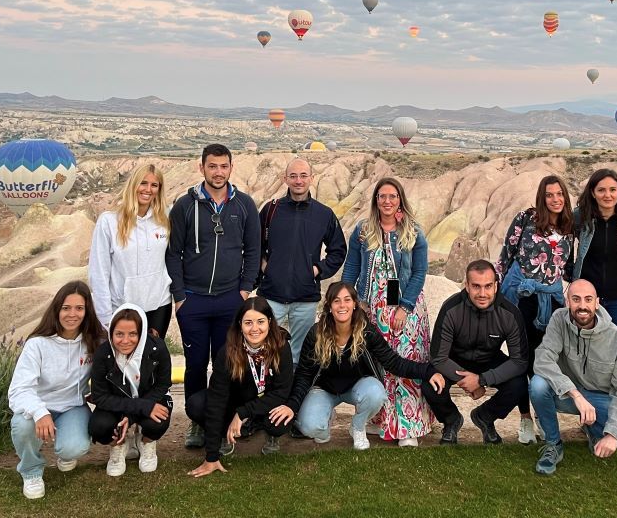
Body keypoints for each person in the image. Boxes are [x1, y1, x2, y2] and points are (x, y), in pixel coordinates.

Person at [270, 282, 445, 451]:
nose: (342, 305)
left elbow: (393, 362)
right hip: (324, 390)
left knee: (376, 394)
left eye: (347, 300)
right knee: (310, 427)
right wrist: (292, 405)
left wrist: (428, 371)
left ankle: (358, 427)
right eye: (336, 301)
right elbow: (304, 375)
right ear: (329, 306)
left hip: (357, 387)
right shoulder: (316, 333)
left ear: (355, 304)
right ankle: (325, 418)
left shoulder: (366, 331)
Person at [166, 143, 261, 448]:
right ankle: (196, 424)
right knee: (195, 364)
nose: (218, 172)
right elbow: (173, 253)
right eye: (212, 166)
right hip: (192, 300)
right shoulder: (184, 206)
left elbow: (254, 250)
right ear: (202, 168)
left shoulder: (244, 204)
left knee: (226, 364)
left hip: (230, 301)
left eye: (223, 166)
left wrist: (245, 289)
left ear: (231, 168)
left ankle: (222, 423)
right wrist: (179, 296)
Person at [343, 177, 434, 446]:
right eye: (382, 196)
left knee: (405, 358)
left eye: (392, 196)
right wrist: (351, 298)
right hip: (372, 306)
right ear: (375, 201)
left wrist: (405, 307)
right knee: (379, 363)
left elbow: (419, 272)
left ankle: (407, 425)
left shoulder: (413, 232)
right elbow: (351, 266)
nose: (387, 201)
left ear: (400, 200)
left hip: (406, 305)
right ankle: (381, 418)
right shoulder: (362, 230)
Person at [530, 279, 617, 475]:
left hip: (600, 400)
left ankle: (594, 429)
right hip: (570, 395)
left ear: (597, 303)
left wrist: (613, 434)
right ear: (567, 302)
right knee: (538, 385)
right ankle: (553, 445)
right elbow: (542, 359)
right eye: (576, 299)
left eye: (588, 299)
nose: (582, 306)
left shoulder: (616, 338)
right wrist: (576, 395)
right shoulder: (559, 320)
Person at [495, 175, 575, 444]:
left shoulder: (569, 226)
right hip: (522, 297)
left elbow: (569, 266)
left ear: (565, 196)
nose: (555, 199)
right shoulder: (525, 219)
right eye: (549, 194)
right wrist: (496, 293)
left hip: (551, 302)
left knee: (545, 360)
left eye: (559, 194)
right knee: (522, 359)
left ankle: (542, 414)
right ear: (542, 197)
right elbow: (506, 254)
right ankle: (525, 418)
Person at [8, 281, 105, 499]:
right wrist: (40, 412)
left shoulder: (95, 342)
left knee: (74, 448)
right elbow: (19, 389)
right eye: (66, 308)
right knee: (22, 427)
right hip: (39, 409)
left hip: (72, 407)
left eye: (79, 308)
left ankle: (65, 453)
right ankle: (31, 470)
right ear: (57, 309)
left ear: (87, 311)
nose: (73, 314)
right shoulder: (37, 344)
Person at [423, 259, 529, 445]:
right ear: (467, 285)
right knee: (431, 382)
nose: (482, 293)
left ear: (496, 286)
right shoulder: (451, 308)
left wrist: (482, 380)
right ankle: (451, 420)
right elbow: (438, 357)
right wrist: (468, 381)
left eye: (488, 286)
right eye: (476, 286)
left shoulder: (510, 313)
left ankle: (485, 417)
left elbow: (519, 361)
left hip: (489, 359)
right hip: (454, 360)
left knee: (519, 384)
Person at [187, 296, 294, 477]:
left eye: (260, 321)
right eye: (248, 323)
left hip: (265, 405)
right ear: (240, 324)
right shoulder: (228, 352)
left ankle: (265, 432)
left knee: (279, 421)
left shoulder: (281, 346)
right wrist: (211, 457)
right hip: (234, 404)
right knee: (196, 404)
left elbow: (282, 392)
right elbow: (216, 399)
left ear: (269, 322)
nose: (254, 329)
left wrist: (243, 413)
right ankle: (224, 434)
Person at [257, 157, 347, 365]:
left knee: (300, 354)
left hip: (305, 299)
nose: (299, 180)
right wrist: (266, 267)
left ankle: (295, 397)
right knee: (265, 349)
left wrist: (316, 270)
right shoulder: (271, 210)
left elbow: (338, 251)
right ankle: (268, 395)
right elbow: (255, 245)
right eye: (293, 176)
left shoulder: (324, 214)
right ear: (285, 179)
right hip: (271, 295)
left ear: (312, 179)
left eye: (304, 175)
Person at [88, 303, 172, 476]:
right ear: (111, 333)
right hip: (117, 402)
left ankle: (146, 441)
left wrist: (133, 415)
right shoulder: (103, 354)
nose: (125, 341)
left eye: (133, 334)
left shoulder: (158, 348)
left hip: (151, 398)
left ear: (141, 333)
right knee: (99, 427)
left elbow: (162, 385)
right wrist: (139, 409)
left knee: (158, 421)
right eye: (119, 334)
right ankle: (119, 445)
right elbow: (100, 396)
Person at [88, 164, 172, 337]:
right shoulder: (109, 222)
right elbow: (99, 272)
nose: (148, 189)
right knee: (123, 361)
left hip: (159, 304)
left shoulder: (165, 219)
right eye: (143, 183)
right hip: (123, 307)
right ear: (133, 184)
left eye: (154, 185)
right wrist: (105, 316)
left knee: (152, 360)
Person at [569, 169, 617, 342]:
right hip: (587, 300)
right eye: (601, 190)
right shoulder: (580, 216)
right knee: (584, 349)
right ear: (593, 192)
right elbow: (566, 244)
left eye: (613, 190)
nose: (608, 195)